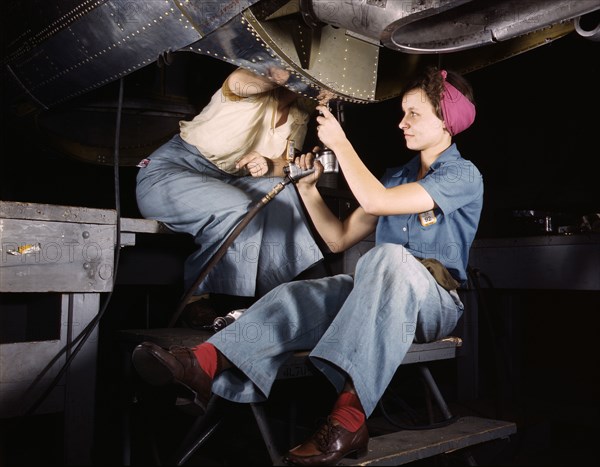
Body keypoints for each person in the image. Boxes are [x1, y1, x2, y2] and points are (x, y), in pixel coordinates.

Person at [132, 66, 483, 465]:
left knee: (387, 257)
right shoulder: (395, 176)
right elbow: (337, 238)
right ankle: (202, 365)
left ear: (446, 121)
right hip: (378, 291)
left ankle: (349, 419)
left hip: (433, 304)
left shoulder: (462, 175)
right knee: (301, 294)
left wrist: (342, 144)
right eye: (401, 112)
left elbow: (376, 204)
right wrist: (307, 188)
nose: (401, 123)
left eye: (414, 114)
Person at [135, 66, 324, 323]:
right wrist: (279, 76)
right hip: (171, 173)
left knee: (282, 195)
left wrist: (269, 165)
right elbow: (237, 83)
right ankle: (200, 300)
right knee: (237, 207)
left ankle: (282, 299)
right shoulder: (250, 84)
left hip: (229, 181)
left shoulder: (301, 109)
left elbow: (285, 163)